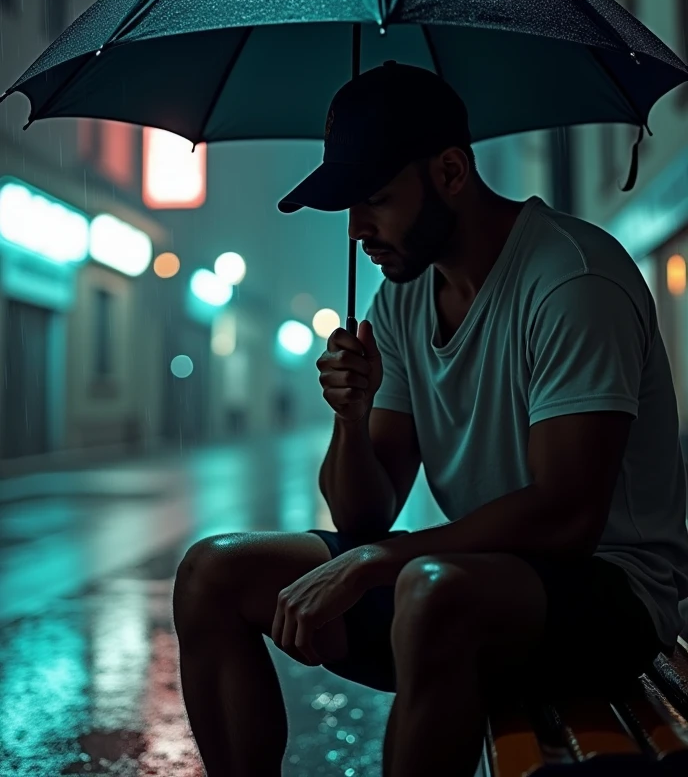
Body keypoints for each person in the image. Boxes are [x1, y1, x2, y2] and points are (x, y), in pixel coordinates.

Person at [172, 60, 688, 777]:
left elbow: (566, 517)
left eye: (375, 199)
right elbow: (365, 511)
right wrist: (349, 420)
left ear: (450, 173)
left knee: (430, 590)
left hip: (609, 596)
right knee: (212, 572)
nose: (358, 230)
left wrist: (379, 562)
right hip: (469, 580)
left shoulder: (573, 280)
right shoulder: (405, 298)